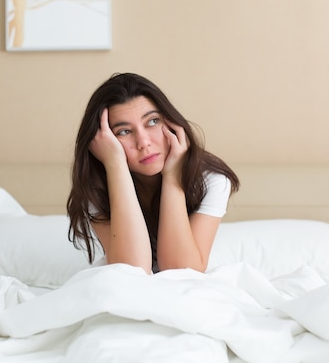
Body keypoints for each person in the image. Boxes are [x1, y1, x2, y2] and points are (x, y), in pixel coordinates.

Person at [67, 73, 240, 274]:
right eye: (123, 131)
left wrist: (173, 177)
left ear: (171, 122)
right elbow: (130, 273)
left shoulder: (211, 180)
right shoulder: (98, 185)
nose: (143, 142)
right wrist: (115, 165)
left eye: (152, 121)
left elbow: (182, 272)